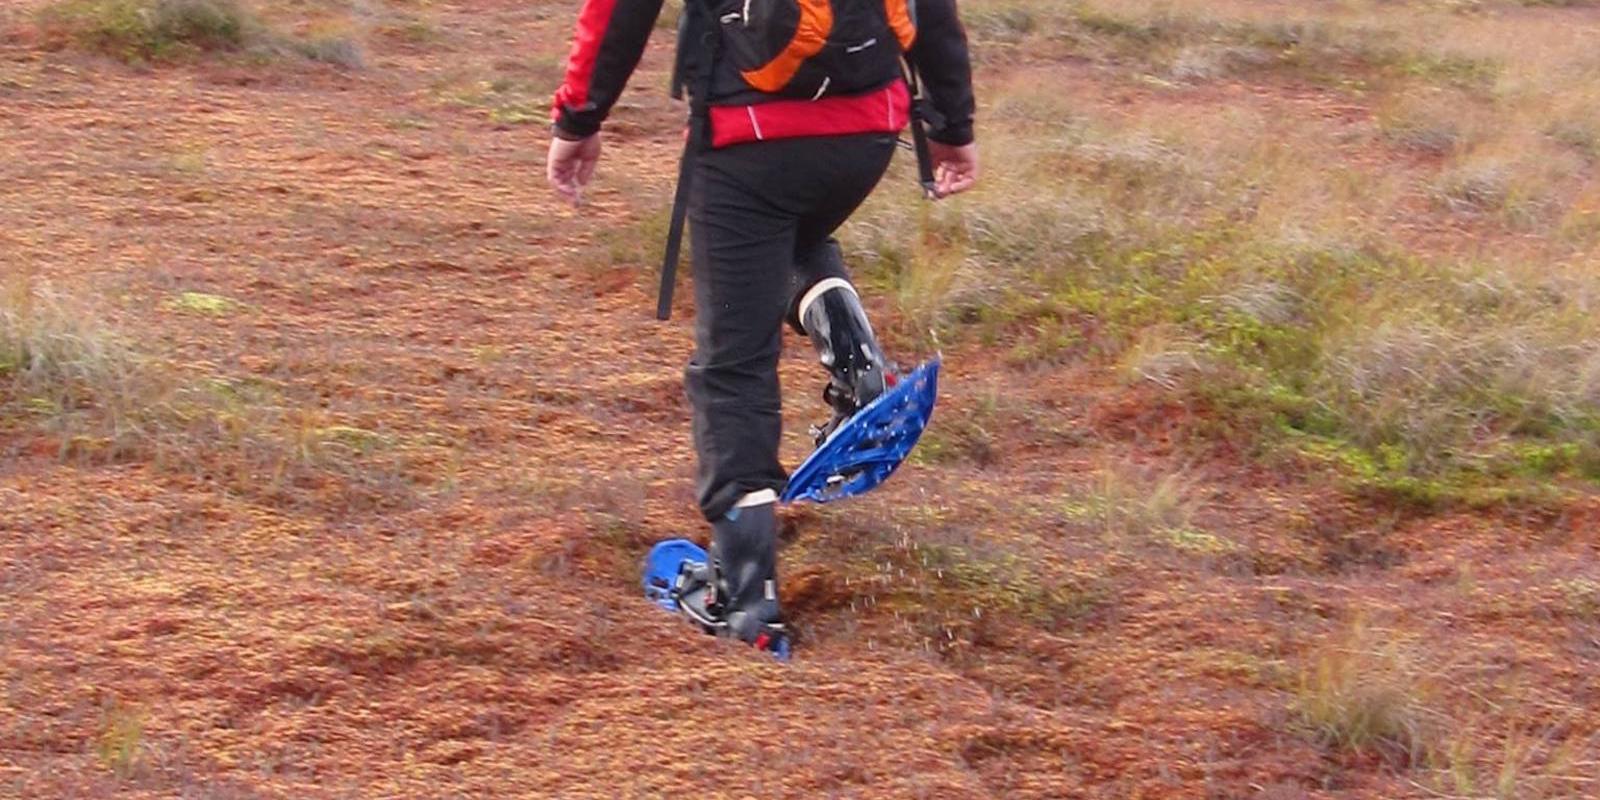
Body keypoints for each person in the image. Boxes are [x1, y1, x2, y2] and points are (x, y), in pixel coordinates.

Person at [547, 0, 978, 653]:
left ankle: (746, 605)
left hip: (749, 136)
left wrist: (579, 118)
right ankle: (858, 361)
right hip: (868, 132)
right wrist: (952, 123)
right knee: (789, 239)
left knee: (733, 364)